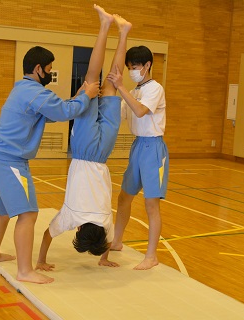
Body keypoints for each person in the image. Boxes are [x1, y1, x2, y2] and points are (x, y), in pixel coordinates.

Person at [0, 32, 100, 283]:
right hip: (10, 160)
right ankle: (25, 271)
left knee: (2, 211)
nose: (50, 73)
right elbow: (64, 112)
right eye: (48, 69)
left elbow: (56, 110)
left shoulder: (23, 89)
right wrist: (87, 96)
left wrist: (80, 95)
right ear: (38, 69)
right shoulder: (36, 92)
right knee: (28, 214)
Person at [36, 6, 132, 271]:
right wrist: (41, 260)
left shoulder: (104, 222)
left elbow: (108, 241)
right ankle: (104, 25)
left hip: (104, 153)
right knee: (92, 79)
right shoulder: (71, 217)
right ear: (78, 230)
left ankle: (123, 32)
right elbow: (47, 235)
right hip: (84, 149)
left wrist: (105, 258)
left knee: (111, 83)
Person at [105, 45, 169, 270]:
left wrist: (121, 86)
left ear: (147, 65)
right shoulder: (132, 92)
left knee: (151, 204)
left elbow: (141, 111)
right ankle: (117, 240)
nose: (132, 71)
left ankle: (151, 256)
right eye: (130, 67)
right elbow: (119, 112)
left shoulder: (155, 88)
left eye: (135, 67)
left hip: (153, 149)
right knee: (124, 197)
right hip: (137, 147)